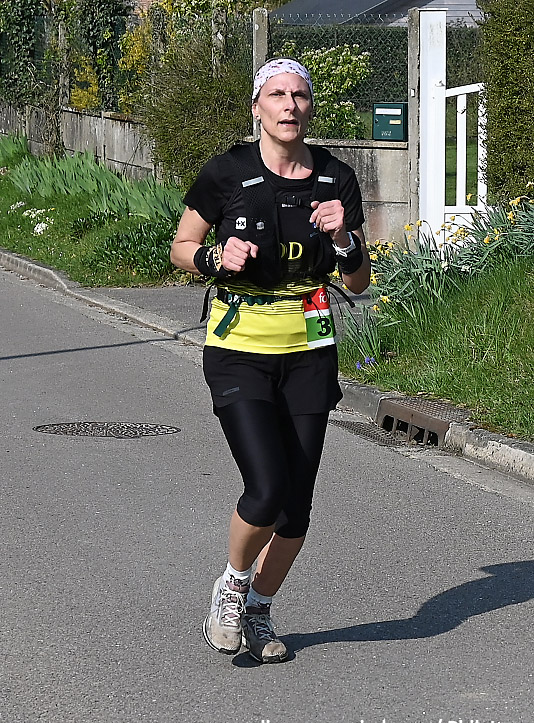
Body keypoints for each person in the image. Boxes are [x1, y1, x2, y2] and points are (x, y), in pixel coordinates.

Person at [170, 58, 370, 664]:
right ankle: (231, 587)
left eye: (299, 95)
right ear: (257, 106)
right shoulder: (227, 172)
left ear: (310, 107)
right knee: (266, 488)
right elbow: (182, 246)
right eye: (277, 94)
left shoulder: (336, 178)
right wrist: (214, 259)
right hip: (239, 350)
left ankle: (259, 608)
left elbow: (358, 282)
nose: (290, 105)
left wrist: (344, 240)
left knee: (295, 509)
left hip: (309, 351)